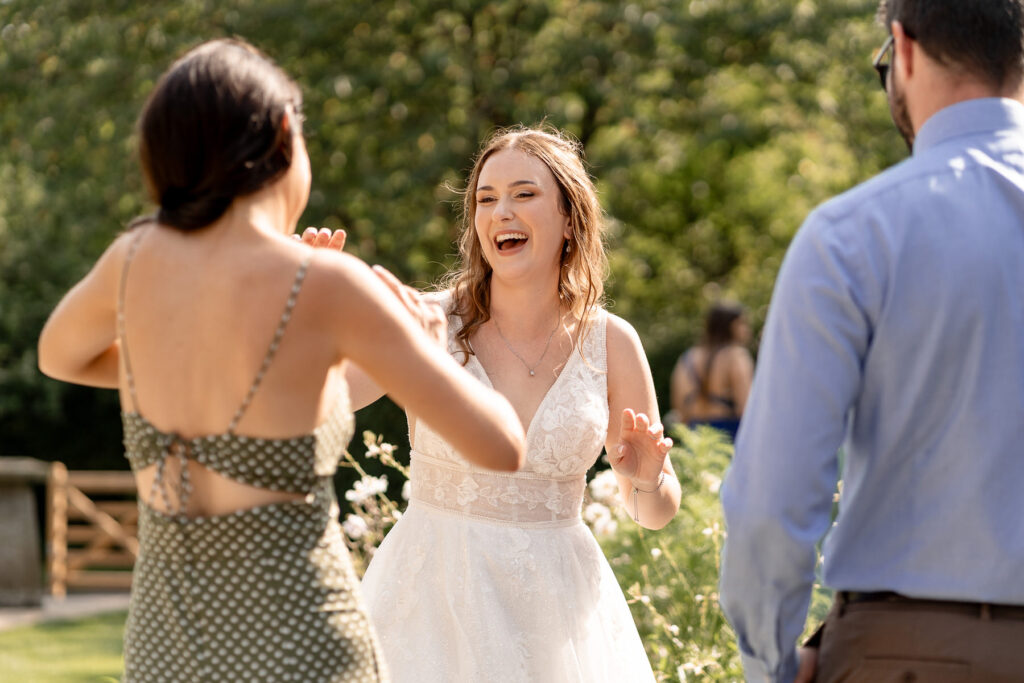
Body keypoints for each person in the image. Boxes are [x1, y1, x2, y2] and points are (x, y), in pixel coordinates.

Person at [36, 38, 526, 683]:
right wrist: (429, 343)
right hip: (300, 644)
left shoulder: (135, 258)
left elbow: (60, 355)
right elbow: (501, 446)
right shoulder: (325, 284)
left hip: (165, 647)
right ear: (284, 133)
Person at [719, 1, 1024, 681]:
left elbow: (775, 498)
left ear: (903, 49)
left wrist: (768, 662)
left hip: (909, 652)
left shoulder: (854, 236)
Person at [340, 126, 680, 681]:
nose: (502, 211)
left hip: (560, 619)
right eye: (486, 198)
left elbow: (654, 513)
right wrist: (307, 312)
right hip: (430, 606)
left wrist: (645, 479)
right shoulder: (428, 321)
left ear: (570, 217)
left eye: (524, 194)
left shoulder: (613, 342)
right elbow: (320, 402)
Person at [668, 302, 753, 440]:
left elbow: (679, 407)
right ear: (731, 326)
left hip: (694, 435)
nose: (747, 329)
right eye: (742, 323)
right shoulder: (736, 356)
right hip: (729, 435)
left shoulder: (688, 357)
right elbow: (746, 408)